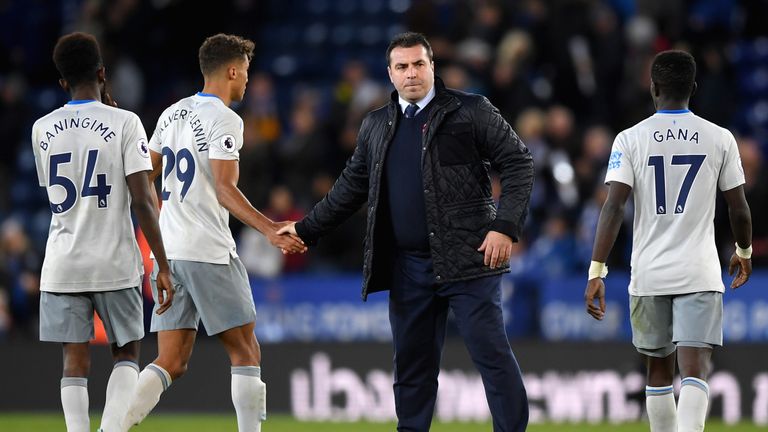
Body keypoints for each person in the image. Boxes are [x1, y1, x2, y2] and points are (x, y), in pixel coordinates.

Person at [279, 32, 533, 431]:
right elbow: (348, 190)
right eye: (402, 66)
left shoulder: (472, 110)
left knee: (493, 358)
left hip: (470, 258)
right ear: (390, 73)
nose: (411, 73)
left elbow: (519, 164)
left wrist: (505, 226)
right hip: (408, 267)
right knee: (412, 370)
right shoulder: (375, 125)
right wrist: (305, 231)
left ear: (433, 66)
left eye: (418, 64)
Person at [121, 33, 305, 432]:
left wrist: (160, 219)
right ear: (233, 70)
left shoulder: (171, 114)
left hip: (168, 253)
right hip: (208, 251)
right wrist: (271, 228)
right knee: (246, 351)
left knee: (170, 361)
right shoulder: (225, 118)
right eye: (246, 74)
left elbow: (143, 176)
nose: (247, 83)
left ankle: (110, 429)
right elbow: (224, 188)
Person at [584, 50, 752, 432]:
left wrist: (597, 270)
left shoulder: (630, 139)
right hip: (699, 269)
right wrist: (744, 251)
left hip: (649, 272)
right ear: (693, 88)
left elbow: (613, 208)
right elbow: (738, 208)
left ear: (653, 88)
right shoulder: (720, 138)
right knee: (696, 368)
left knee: (658, 370)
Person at [31, 32, 173, 432]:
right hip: (115, 260)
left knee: (73, 362)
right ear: (102, 72)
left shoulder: (42, 128)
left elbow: (55, 195)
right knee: (127, 353)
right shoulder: (126, 122)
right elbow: (144, 200)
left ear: (62, 81)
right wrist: (162, 264)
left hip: (63, 262)